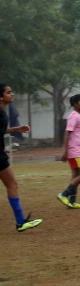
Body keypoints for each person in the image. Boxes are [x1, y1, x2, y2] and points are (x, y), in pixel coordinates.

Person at [0, 84, 41, 232]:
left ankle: (20, 221)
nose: (13, 94)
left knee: (12, 184)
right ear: (1, 96)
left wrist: (17, 129)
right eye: (9, 92)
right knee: (12, 184)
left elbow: (1, 129)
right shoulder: (1, 112)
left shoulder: (3, 111)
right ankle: (20, 222)